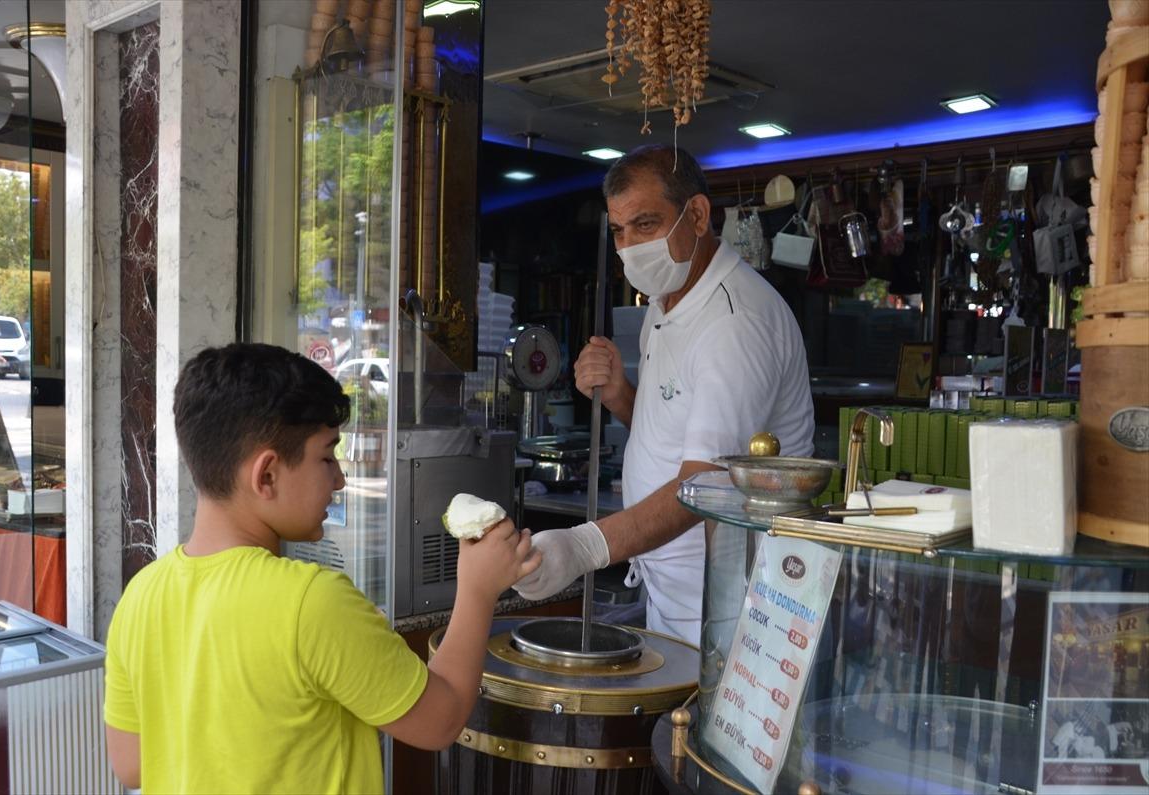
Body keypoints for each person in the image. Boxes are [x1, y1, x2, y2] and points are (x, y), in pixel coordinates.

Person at [103, 342, 540, 794]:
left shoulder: (141, 595)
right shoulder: (312, 602)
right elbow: (440, 721)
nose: (340, 479)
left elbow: (131, 763)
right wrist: (478, 590)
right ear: (266, 475)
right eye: (327, 457)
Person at [514, 145, 814, 646]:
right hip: (671, 590)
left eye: (646, 225)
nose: (629, 246)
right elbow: (679, 433)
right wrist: (621, 397)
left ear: (697, 215)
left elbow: (708, 484)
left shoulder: (734, 322)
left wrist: (585, 547)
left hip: (733, 604)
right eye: (619, 231)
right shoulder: (666, 302)